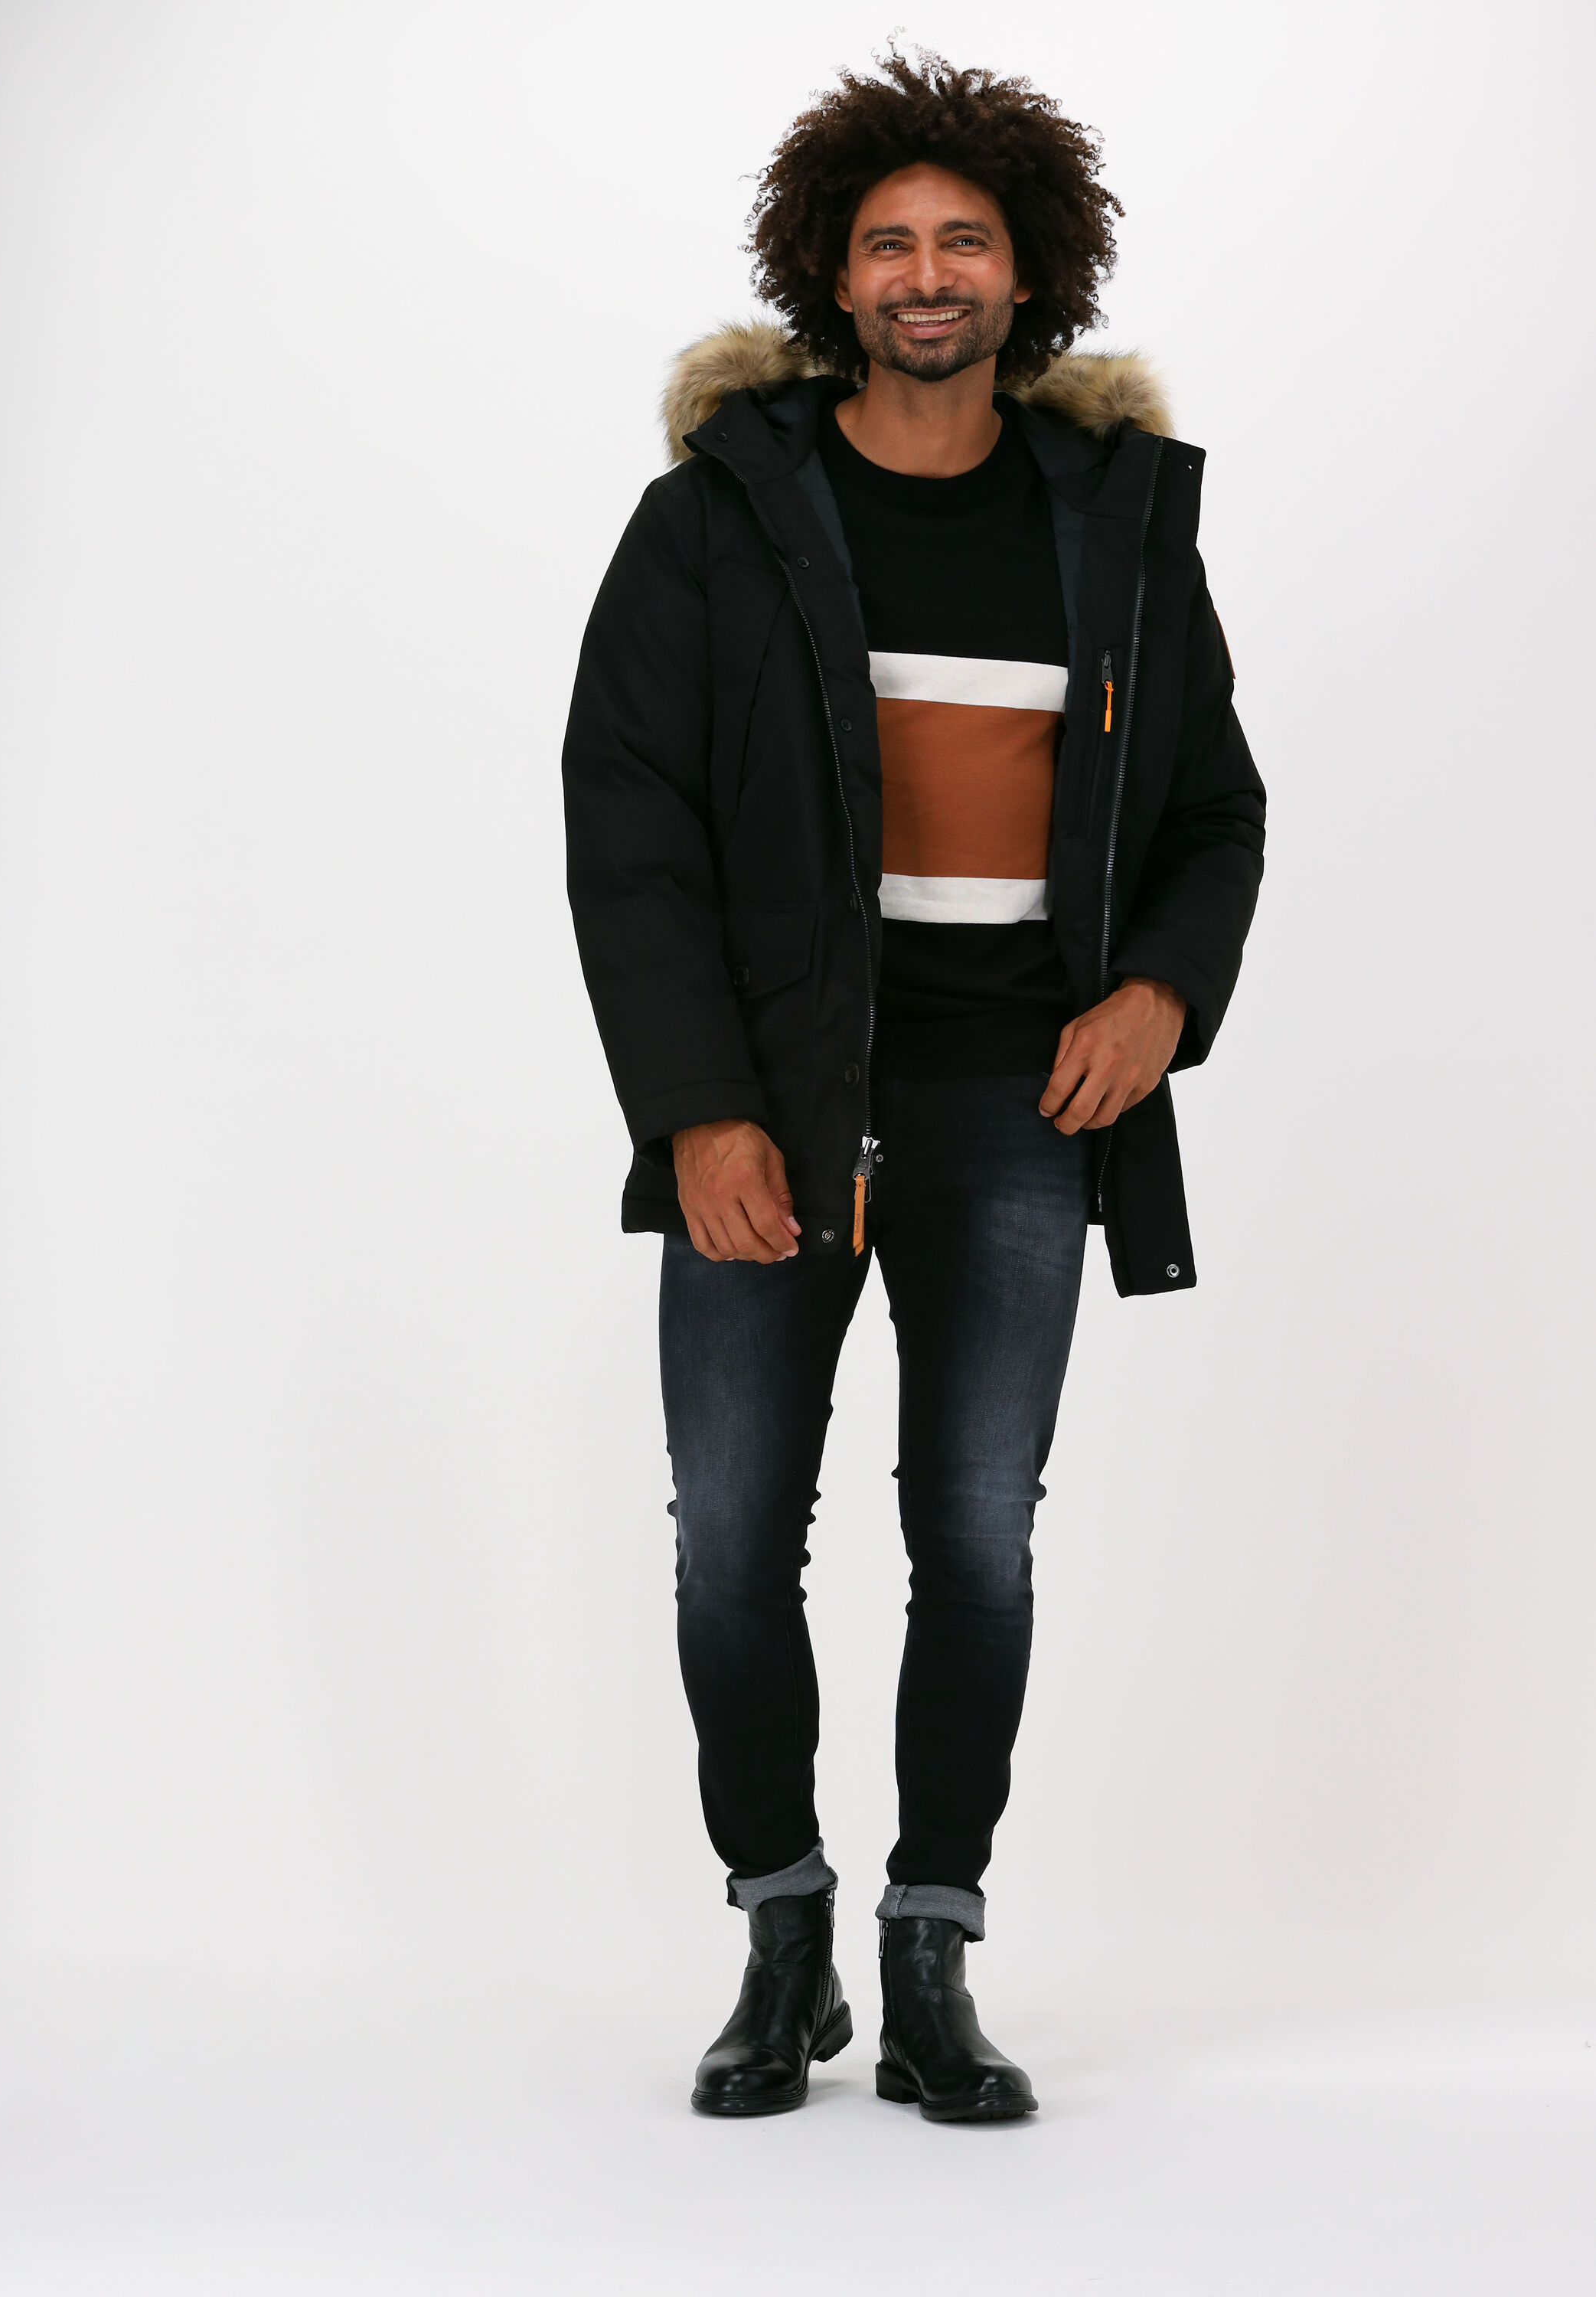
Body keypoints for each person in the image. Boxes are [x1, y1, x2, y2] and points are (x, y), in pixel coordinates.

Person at [562, 48, 1265, 2122]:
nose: (927, 273)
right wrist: (698, 1109)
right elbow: (630, 828)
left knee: (975, 1540)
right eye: (889, 243)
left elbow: (1213, 810)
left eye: (964, 240)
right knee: (728, 1541)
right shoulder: (716, 523)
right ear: (833, 275)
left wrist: (1159, 995)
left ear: (1028, 272)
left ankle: (930, 1945)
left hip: (1016, 1110)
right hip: (775, 1104)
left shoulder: (1115, 525)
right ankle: (780, 1936)